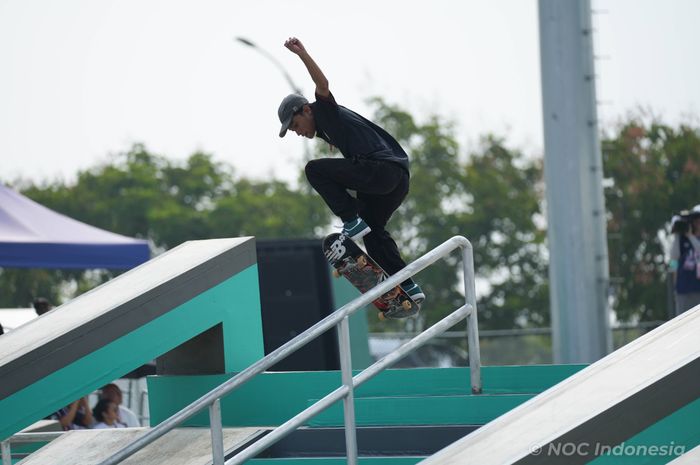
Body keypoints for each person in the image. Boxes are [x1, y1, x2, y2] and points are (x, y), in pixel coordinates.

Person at [277, 37, 425, 303]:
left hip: (378, 170)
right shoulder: (328, 126)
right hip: (397, 179)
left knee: (314, 170)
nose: (297, 132)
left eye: (295, 125)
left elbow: (322, 85)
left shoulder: (323, 110)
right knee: (374, 231)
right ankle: (408, 286)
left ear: (306, 110)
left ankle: (350, 220)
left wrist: (303, 54)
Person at [669, 206, 700, 316]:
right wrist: (678, 233)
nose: (697, 223)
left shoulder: (692, 238)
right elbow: (673, 258)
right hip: (683, 289)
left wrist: (691, 236)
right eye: (695, 220)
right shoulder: (682, 239)